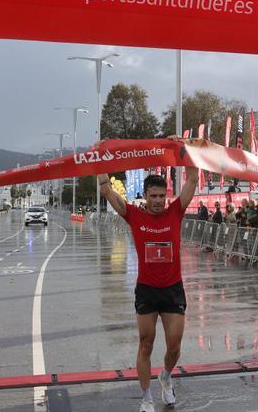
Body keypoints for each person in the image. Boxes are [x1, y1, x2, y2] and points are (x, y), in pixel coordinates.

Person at [98, 160, 199, 412]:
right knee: (146, 343)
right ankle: (146, 398)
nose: (158, 200)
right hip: (146, 289)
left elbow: (193, 179)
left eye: (162, 195)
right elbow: (106, 190)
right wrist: (100, 160)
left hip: (172, 289)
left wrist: (184, 151)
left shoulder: (175, 211)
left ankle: (165, 376)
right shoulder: (135, 215)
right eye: (153, 195)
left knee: (174, 345)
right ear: (145, 195)